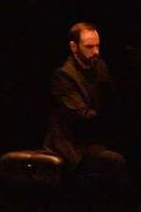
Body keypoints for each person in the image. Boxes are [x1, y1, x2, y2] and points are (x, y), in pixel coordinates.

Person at [43, 22, 126, 187]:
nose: (96, 52)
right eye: (89, 47)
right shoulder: (63, 75)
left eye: (98, 46)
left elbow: (112, 100)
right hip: (72, 143)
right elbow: (81, 115)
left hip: (92, 136)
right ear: (74, 47)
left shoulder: (99, 66)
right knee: (115, 161)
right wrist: (111, 120)